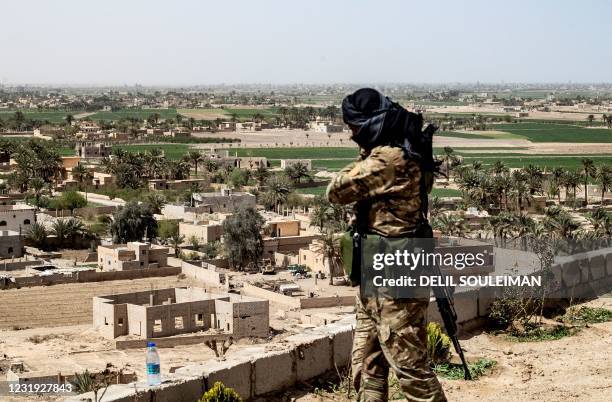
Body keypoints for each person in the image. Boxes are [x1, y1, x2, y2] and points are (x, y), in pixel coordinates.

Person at [326, 88, 446, 402]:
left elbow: (336, 191)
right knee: (368, 366)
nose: (353, 136)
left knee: (411, 372)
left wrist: (357, 163)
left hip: (394, 281)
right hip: (378, 272)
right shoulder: (402, 149)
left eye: (355, 129)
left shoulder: (389, 159)